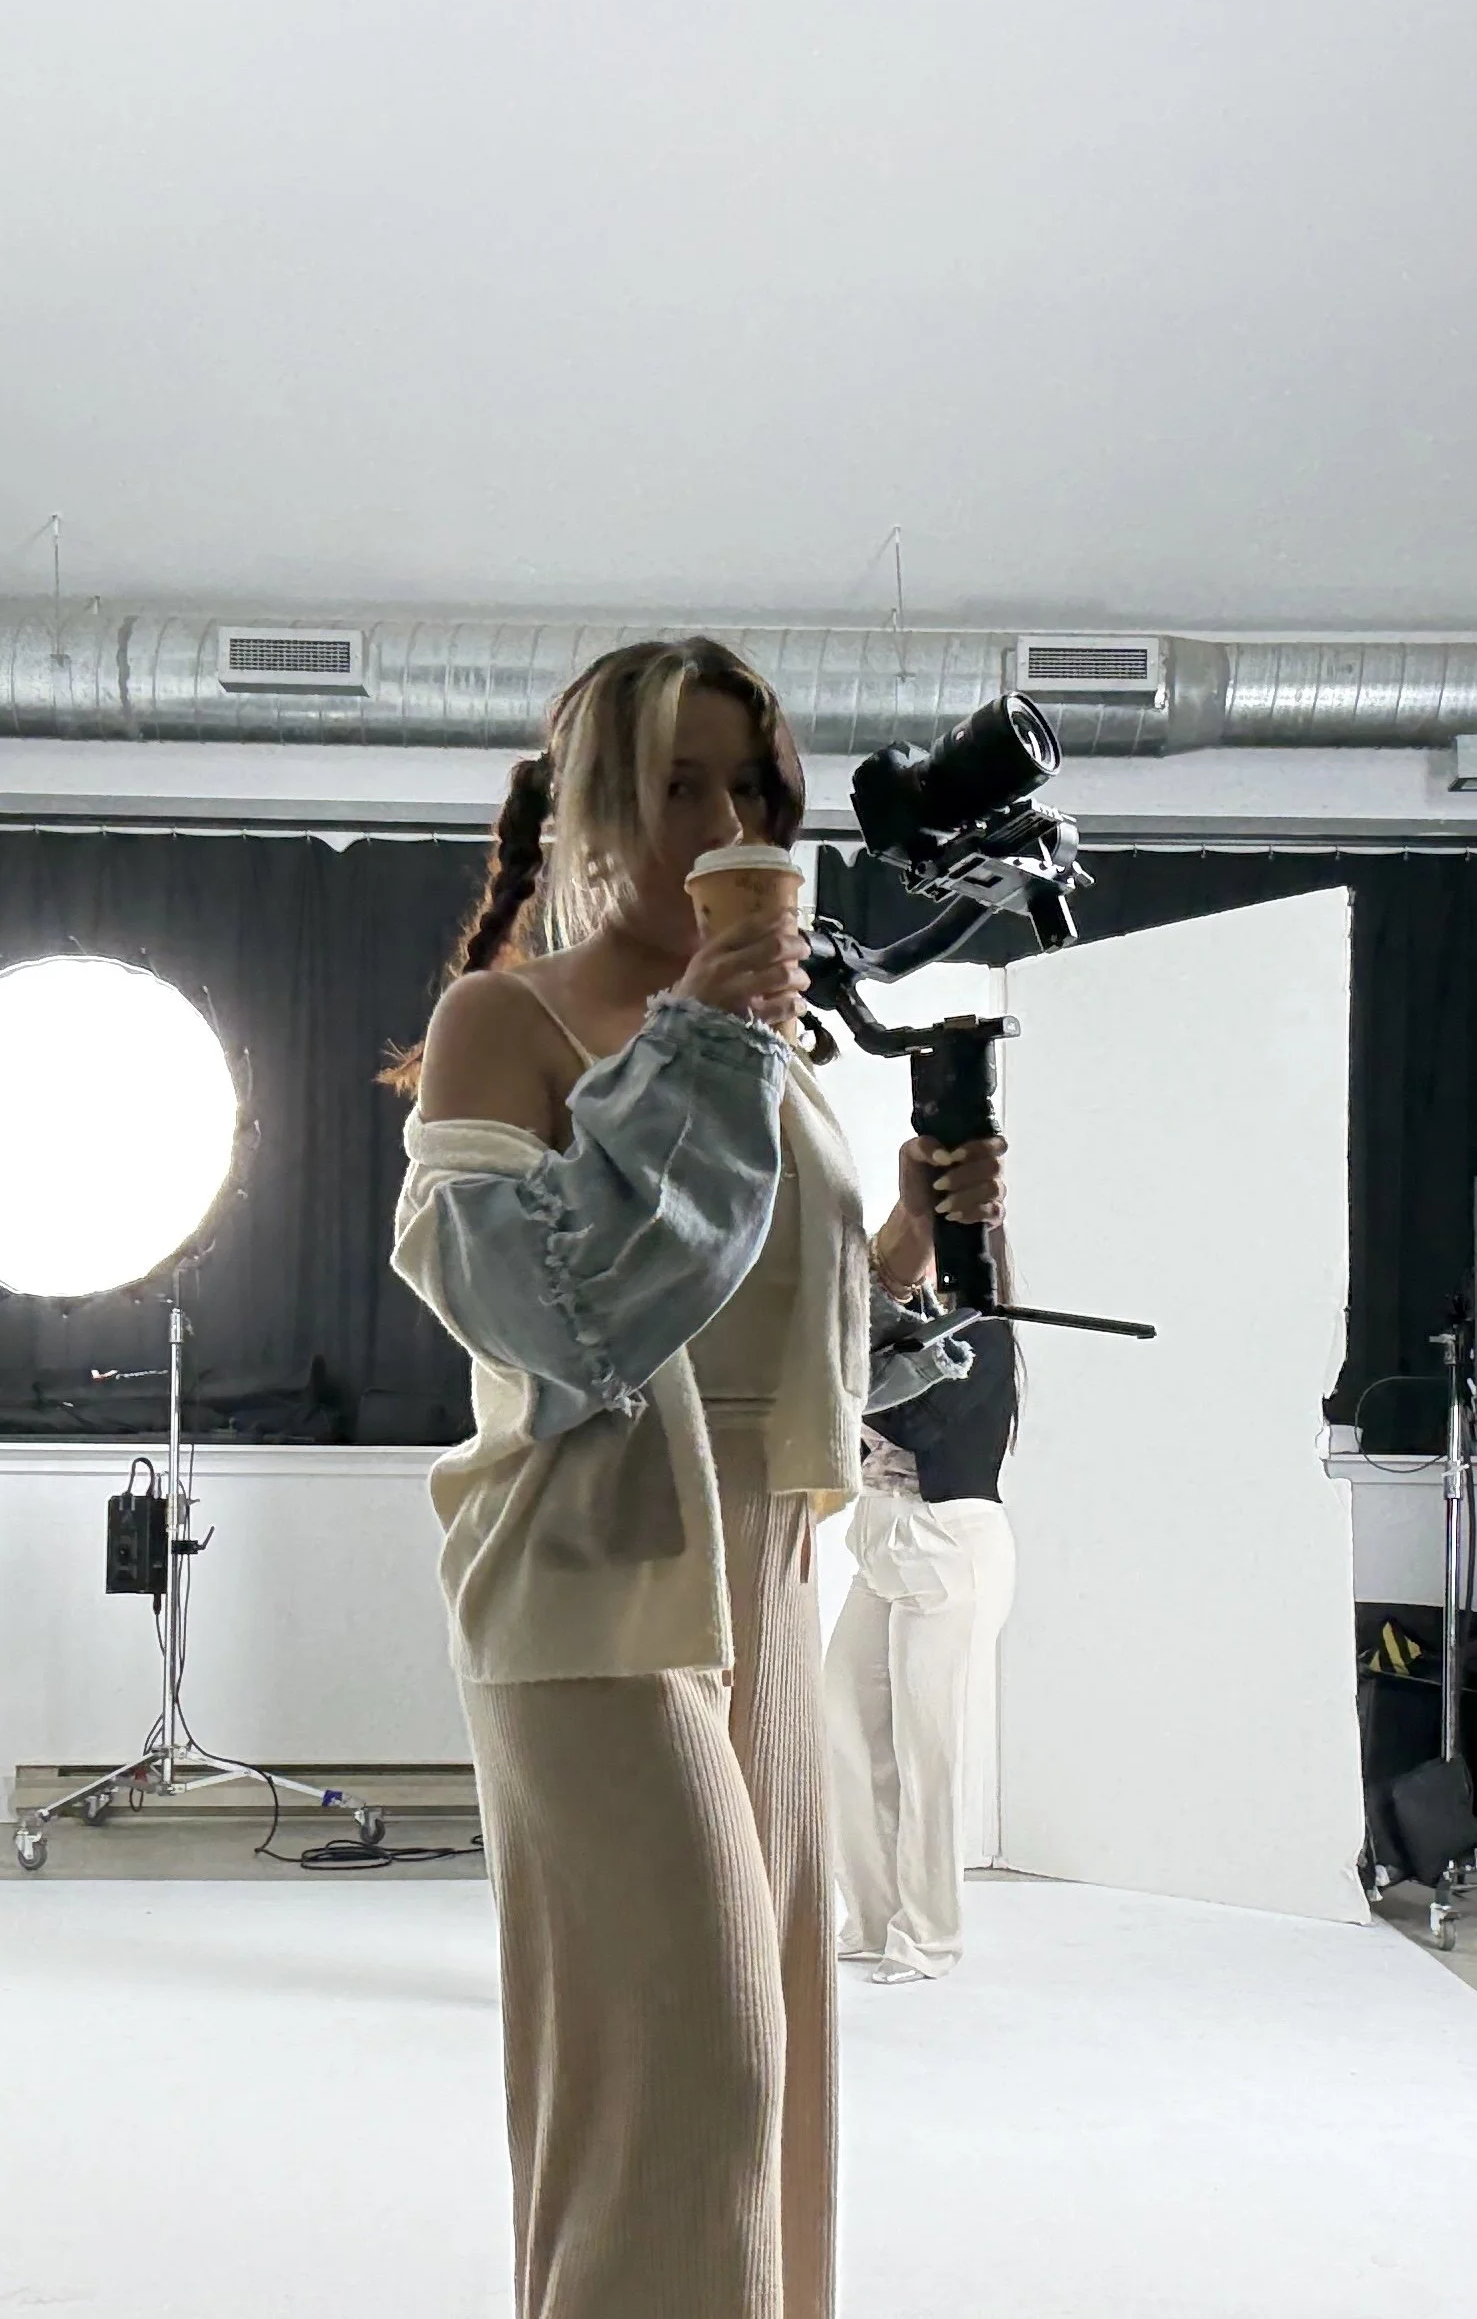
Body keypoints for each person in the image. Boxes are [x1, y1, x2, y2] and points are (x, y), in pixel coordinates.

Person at [387, 636, 1004, 2319]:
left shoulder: (777, 1058)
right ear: (592, 798)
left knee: (771, 2085)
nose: (727, 818)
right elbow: (563, 1316)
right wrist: (703, 1045)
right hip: (589, 1587)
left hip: (764, 1579)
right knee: (695, 2065)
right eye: (678, 780)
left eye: (753, 786)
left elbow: (783, 1349)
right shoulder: (502, 1020)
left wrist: (907, 1234)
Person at [826, 1285, 1020, 1985]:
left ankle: (930, 1936)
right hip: (879, 1544)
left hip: (947, 1547)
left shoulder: (985, 1331)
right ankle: (874, 1919)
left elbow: (920, 1425)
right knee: (843, 1728)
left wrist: (849, 1367)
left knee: (929, 1752)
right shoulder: (875, 1329)